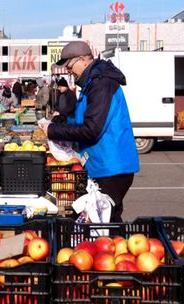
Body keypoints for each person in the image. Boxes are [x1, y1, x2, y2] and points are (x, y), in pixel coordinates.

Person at [41, 41, 139, 222]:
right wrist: (63, 120)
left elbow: (92, 129)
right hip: (101, 164)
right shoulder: (90, 84)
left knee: (103, 222)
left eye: (69, 66)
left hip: (111, 167)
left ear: (83, 60)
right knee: (107, 220)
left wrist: (54, 130)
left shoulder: (101, 84)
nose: (68, 71)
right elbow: (85, 119)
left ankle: (114, 246)